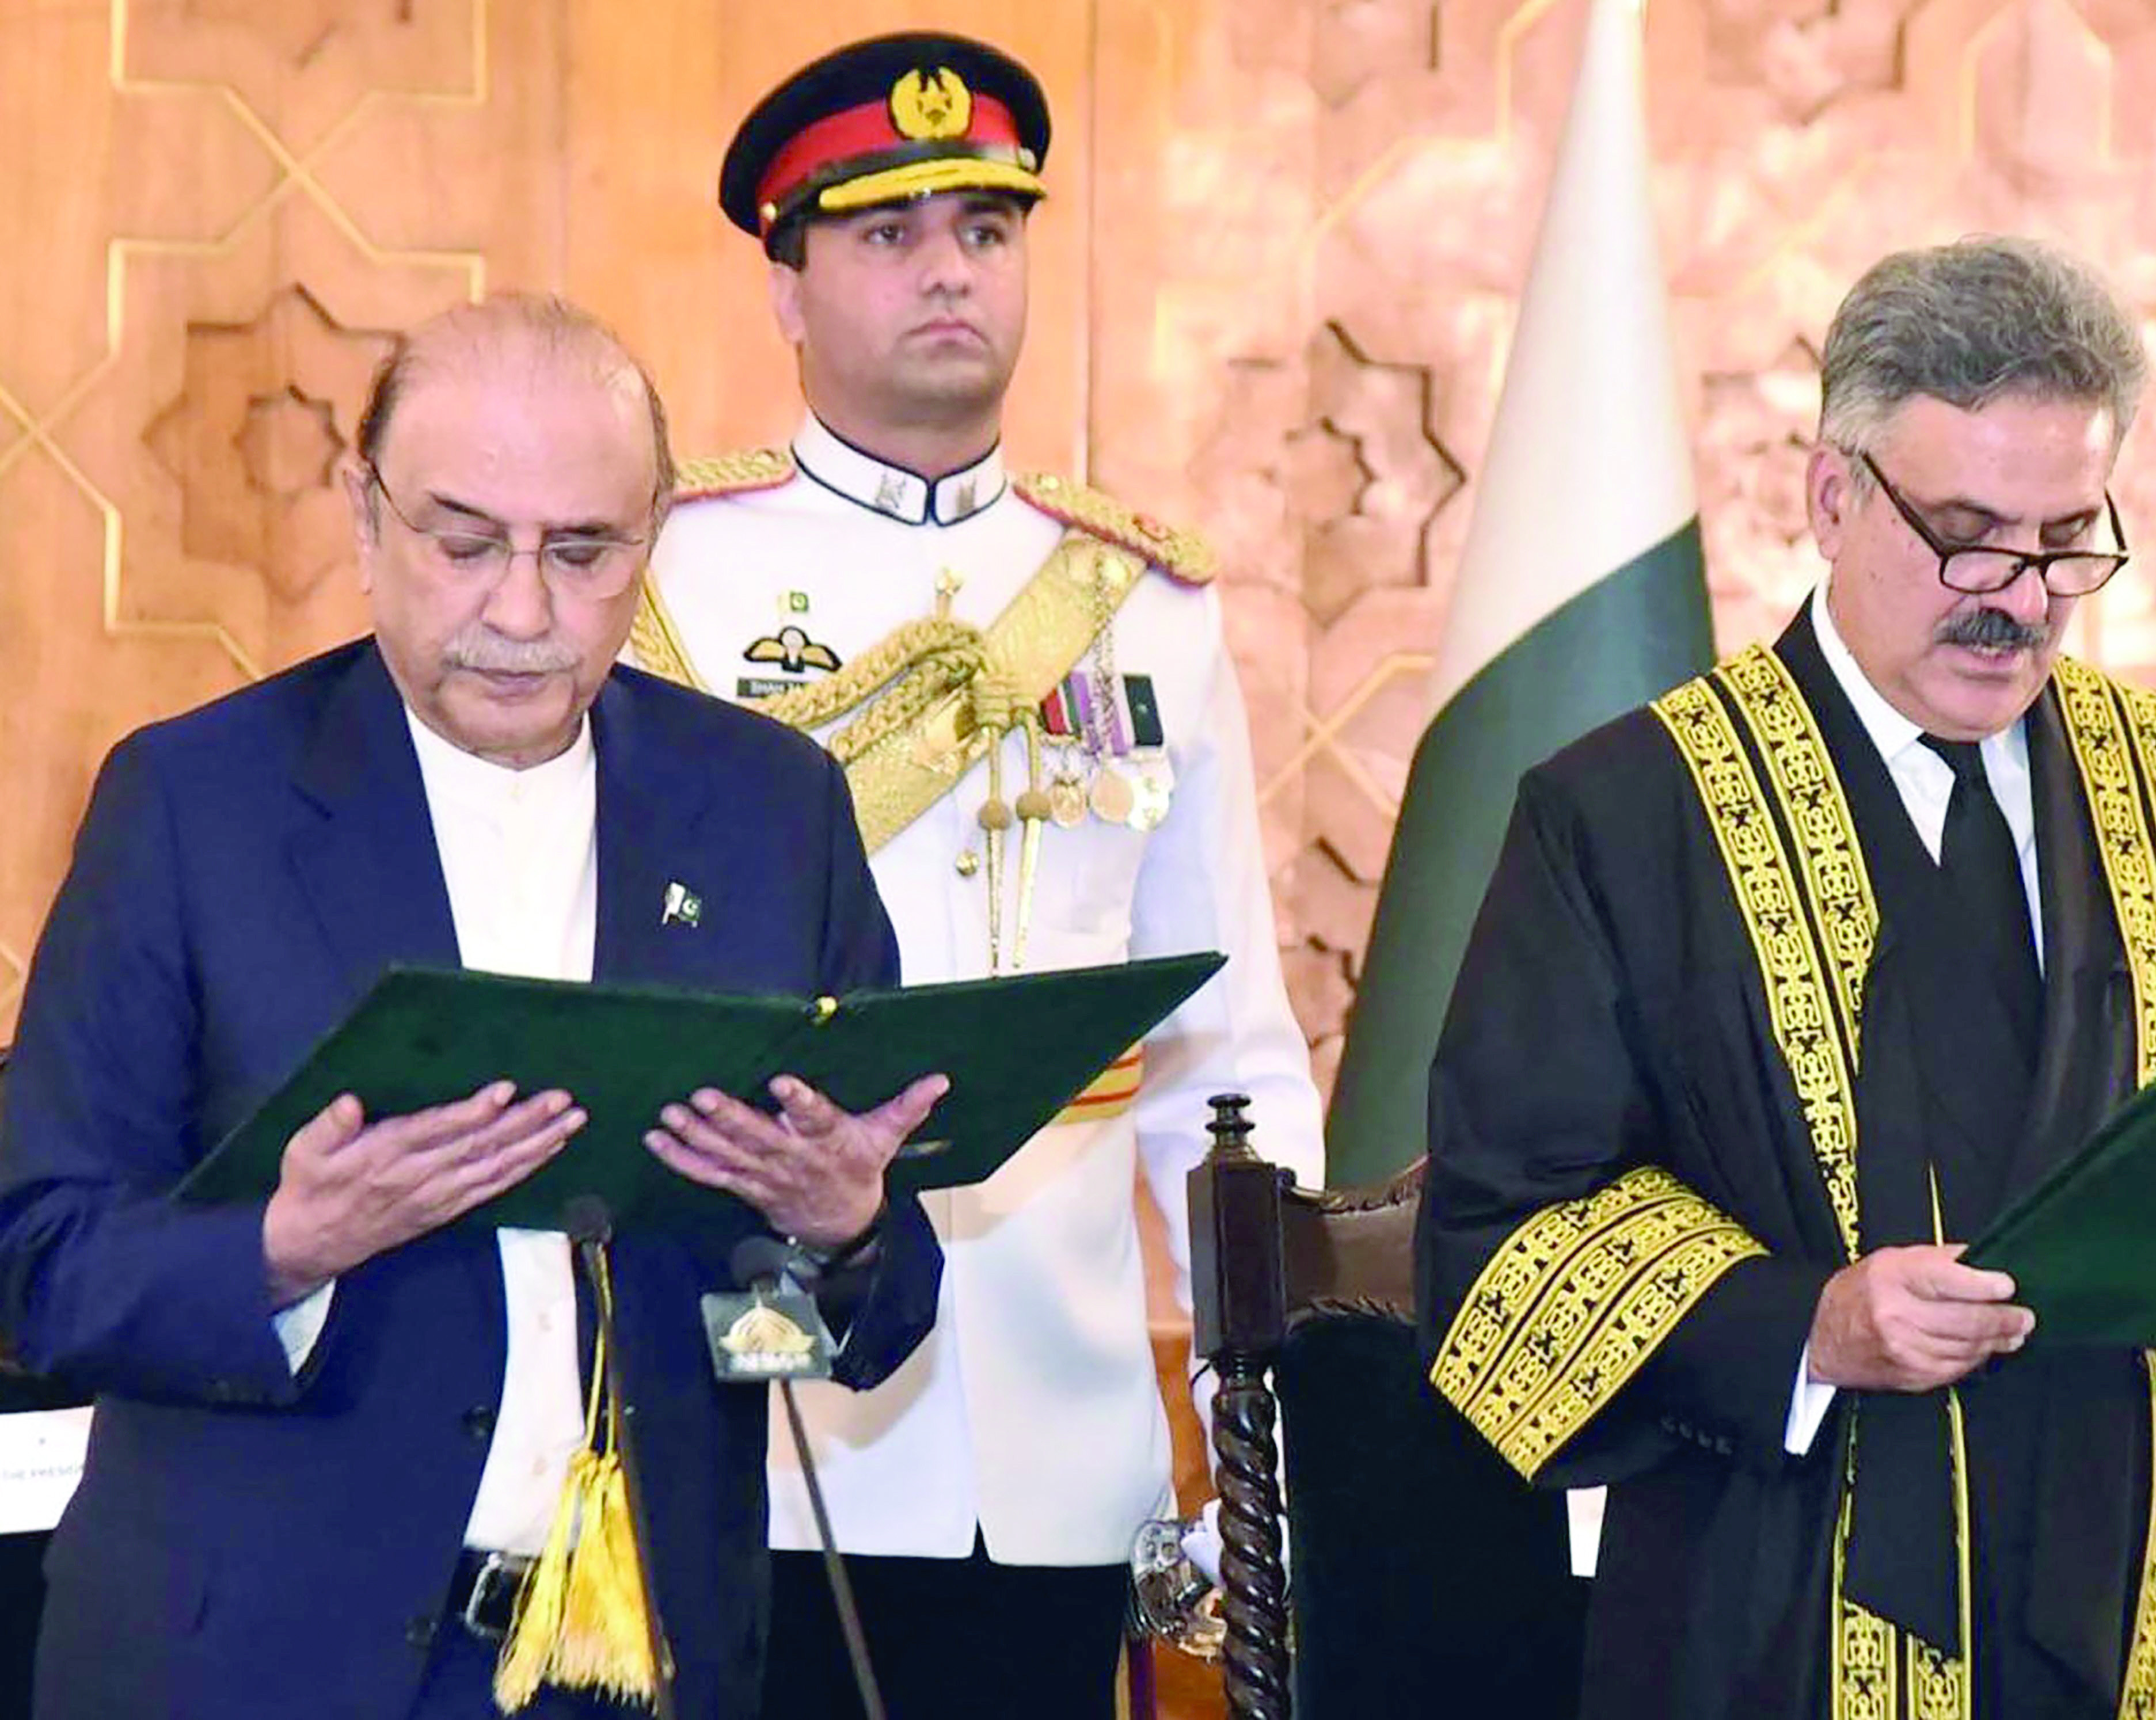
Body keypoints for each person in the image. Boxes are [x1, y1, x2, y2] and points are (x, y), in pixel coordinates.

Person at [1416, 235, 2156, 1719]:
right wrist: (1804, 1322)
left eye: (2063, 540)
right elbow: (1502, 1235)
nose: (2020, 597)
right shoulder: (1623, 813)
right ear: (1831, 495)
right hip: (1777, 1605)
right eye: (1968, 533)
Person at [0, 295, 949, 1720]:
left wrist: (847, 1227)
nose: (521, 609)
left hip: (636, 1661)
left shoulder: (768, 811)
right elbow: (41, 1252)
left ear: (654, 532)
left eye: (583, 552)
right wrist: (278, 1248)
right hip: (257, 1658)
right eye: (463, 543)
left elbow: (886, 1295)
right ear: (364, 516)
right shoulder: (196, 804)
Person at [632, 32, 1325, 1718]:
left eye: (987, 231)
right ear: (785, 289)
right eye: (887, 235)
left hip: (1067, 1434)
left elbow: (1222, 1052)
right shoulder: (670, 577)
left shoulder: (1142, 604)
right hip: (766, 1423)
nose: (950, 270)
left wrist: (1280, 1416)